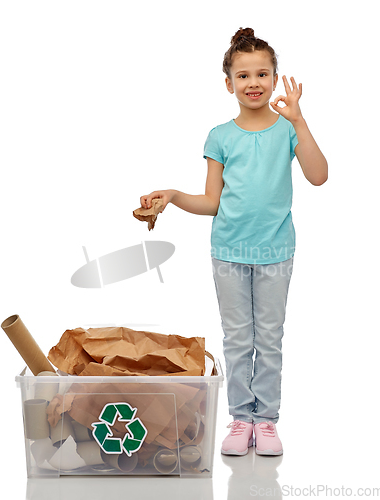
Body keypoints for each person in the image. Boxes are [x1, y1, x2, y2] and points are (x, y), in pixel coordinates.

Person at [139, 27, 327, 456]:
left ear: (276, 79)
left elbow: (319, 176)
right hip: (228, 251)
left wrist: (299, 120)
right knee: (239, 338)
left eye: (263, 73)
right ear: (228, 84)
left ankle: (268, 420)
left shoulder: (287, 130)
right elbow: (210, 201)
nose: (254, 83)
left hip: (276, 250)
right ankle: (242, 418)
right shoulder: (220, 136)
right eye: (243, 76)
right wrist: (172, 196)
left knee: (271, 337)